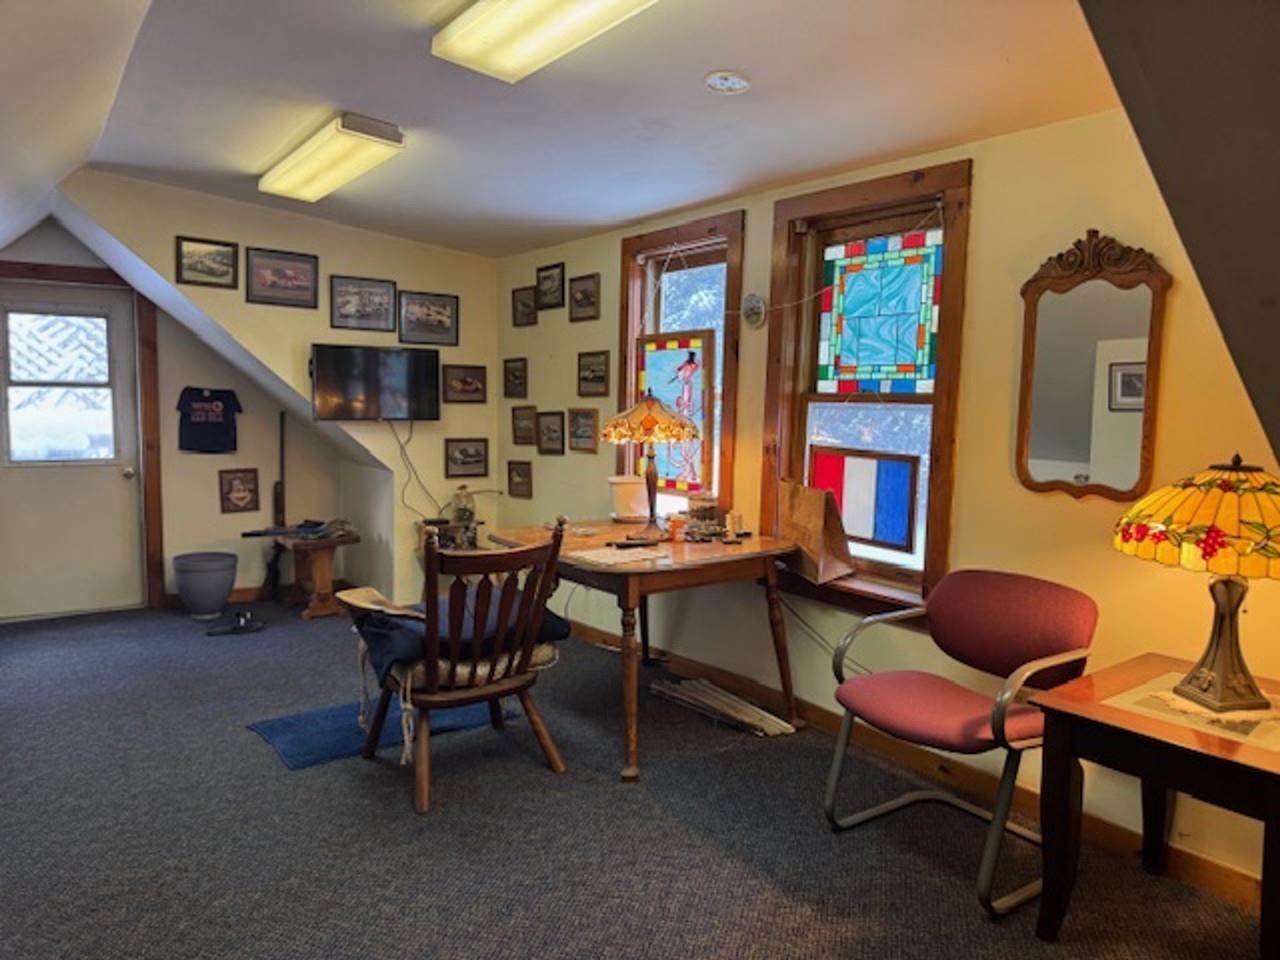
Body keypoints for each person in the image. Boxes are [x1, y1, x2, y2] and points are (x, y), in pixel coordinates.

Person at [669, 349, 701, 417]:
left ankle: (687, 412)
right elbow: (680, 369)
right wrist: (680, 372)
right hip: (686, 383)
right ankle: (686, 412)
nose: (691, 357)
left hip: (688, 383)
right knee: (686, 396)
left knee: (688, 397)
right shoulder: (687, 363)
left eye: (691, 356)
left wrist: (680, 373)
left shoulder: (692, 365)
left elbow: (682, 370)